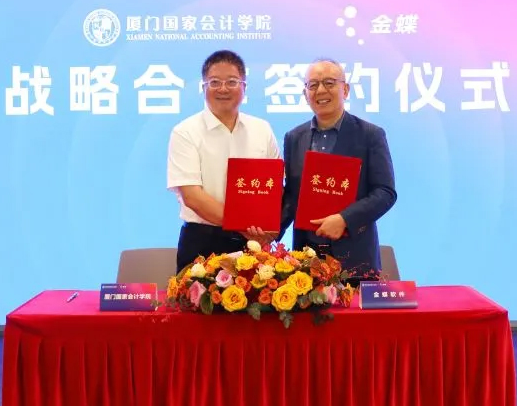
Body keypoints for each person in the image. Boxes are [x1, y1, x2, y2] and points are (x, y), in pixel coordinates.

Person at [278, 58, 397, 279]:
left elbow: (385, 193)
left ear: (346, 89)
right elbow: (293, 196)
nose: (320, 90)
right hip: (306, 260)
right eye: (313, 85)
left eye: (329, 83)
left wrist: (345, 219)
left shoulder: (370, 135)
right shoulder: (294, 137)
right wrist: (270, 231)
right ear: (305, 94)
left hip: (356, 260)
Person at [167, 50, 280, 273]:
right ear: (203, 88)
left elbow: (275, 187)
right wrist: (242, 224)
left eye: (232, 82)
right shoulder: (185, 132)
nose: (223, 89)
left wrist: (269, 230)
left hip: (253, 242)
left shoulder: (262, 129)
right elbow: (192, 196)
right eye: (214, 82)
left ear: (244, 87)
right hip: (203, 242)